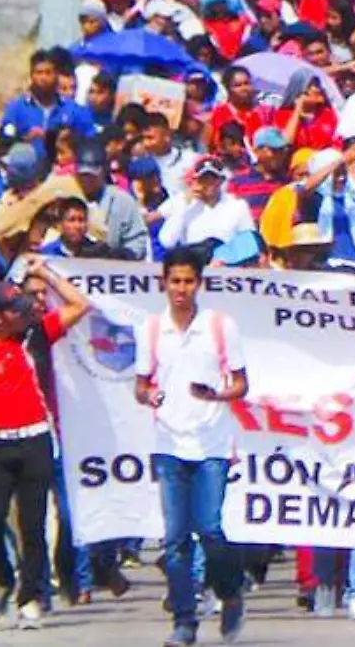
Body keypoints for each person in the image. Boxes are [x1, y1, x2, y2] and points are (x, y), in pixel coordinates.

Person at [0, 259, 95, 630]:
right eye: (17, 310)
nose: (28, 314)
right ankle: (3, 579)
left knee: (33, 526)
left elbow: (80, 305)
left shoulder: (36, 336)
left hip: (35, 440)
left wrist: (49, 275)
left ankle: (30, 598)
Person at [134, 248, 251, 647]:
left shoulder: (219, 326)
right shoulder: (151, 329)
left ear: (198, 284)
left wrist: (215, 395)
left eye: (188, 281)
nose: (181, 289)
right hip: (170, 443)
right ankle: (185, 621)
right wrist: (149, 396)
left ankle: (231, 593)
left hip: (211, 443)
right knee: (176, 540)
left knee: (210, 529)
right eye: (175, 281)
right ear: (163, 282)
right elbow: (140, 384)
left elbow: (240, 383)